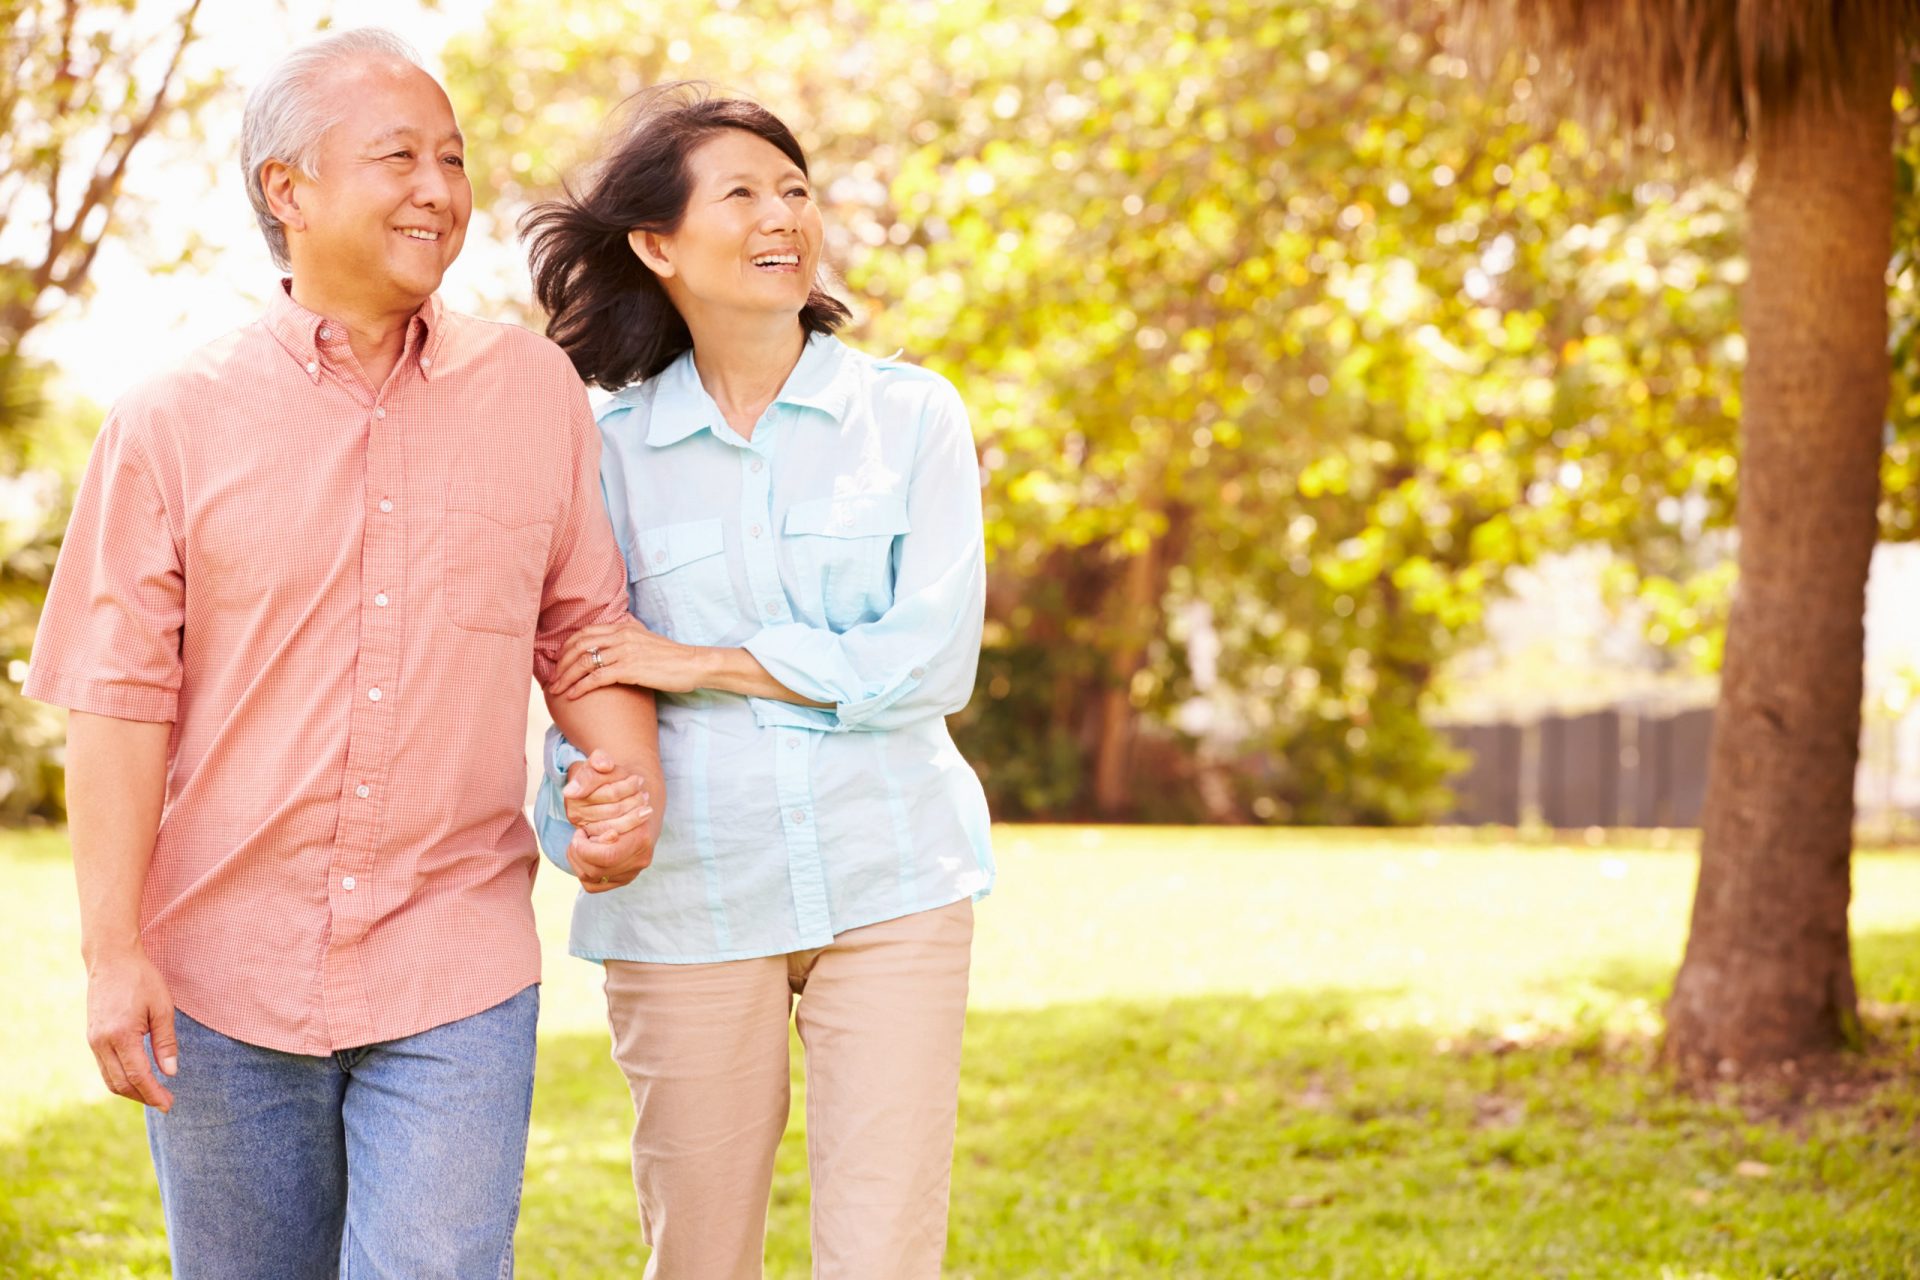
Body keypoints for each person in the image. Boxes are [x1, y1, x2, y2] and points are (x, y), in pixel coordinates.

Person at [23, 29, 664, 1279]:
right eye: (400, 158)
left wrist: (624, 788)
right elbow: (115, 696)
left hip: (455, 962)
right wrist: (114, 953)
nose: (440, 188)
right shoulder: (170, 418)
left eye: (453, 159)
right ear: (289, 189)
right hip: (221, 973)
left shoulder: (533, 392)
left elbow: (583, 629)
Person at [521, 85, 995, 1278]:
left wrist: (697, 661)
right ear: (657, 244)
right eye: (742, 193)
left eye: (794, 188)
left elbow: (930, 658)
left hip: (893, 884)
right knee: (699, 1257)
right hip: (689, 903)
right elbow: (576, 679)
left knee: (884, 1255)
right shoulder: (599, 454)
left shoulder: (909, 415)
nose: (783, 213)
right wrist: (583, 811)